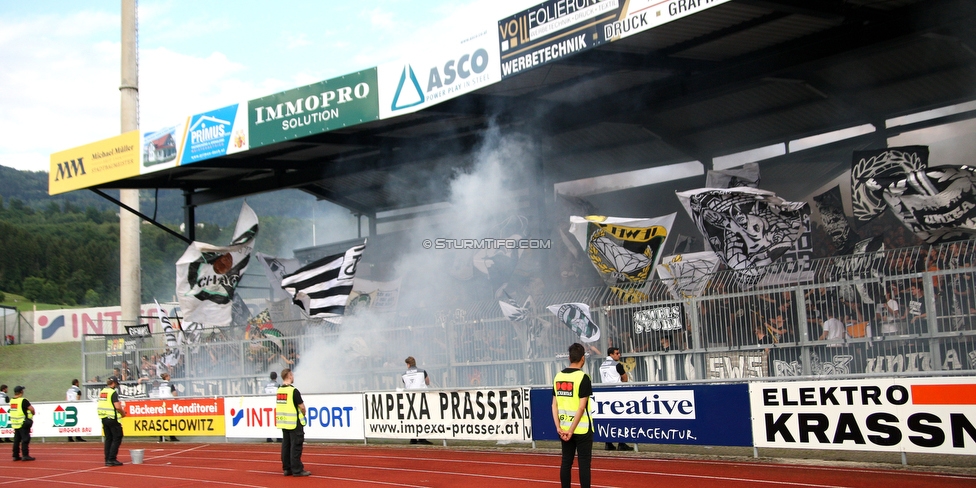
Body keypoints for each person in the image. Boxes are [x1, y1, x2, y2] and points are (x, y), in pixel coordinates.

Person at [552, 343, 592, 488]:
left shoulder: (558, 377)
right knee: (584, 463)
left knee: (566, 462)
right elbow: (582, 407)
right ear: (583, 358)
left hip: (563, 427)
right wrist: (572, 430)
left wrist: (558, 427)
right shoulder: (583, 377)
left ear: (569, 358)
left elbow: (553, 405)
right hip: (582, 428)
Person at [276, 368, 310, 477]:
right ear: (290, 376)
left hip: (284, 422)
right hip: (294, 423)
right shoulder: (293, 391)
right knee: (296, 446)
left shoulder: (280, 390)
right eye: (292, 375)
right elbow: (302, 407)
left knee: (286, 446)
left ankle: (287, 468)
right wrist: (303, 414)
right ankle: (297, 469)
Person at [598, 347, 631, 451]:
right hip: (618, 394)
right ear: (611, 354)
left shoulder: (602, 365)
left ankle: (608, 443)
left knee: (608, 419)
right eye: (617, 353)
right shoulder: (617, 365)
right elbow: (625, 378)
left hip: (606, 394)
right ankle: (621, 443)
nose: (619, 355)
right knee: (621, 418)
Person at [402, 356, 432, 445]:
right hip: (422, 396)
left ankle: (413, 438)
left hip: (410, 398)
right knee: (423, 417)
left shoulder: (404, 374)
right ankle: (422, 438)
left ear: (408, 365)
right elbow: (427, 382)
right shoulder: (422, 371)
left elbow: (405, 383)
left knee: (412, 417)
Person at [98, 376, 125, 466]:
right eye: (116, 384)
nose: (116, 386)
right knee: (117, 437)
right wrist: (123, 413)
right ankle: (112, 458)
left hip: (104, 418)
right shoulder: (113, 392)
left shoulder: (102, 392)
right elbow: (117, 406)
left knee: (108, 438)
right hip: (112, 418)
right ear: (114, 383)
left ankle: (107, 459)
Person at [10, 386, 35, 461]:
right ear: (21, 392)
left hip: (15, 423)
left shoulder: (12, 400)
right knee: (25, 439)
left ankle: (15, 455)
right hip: (22, 422)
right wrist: (33, 413)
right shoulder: (23, 400)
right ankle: (25, 455)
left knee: (16, 440)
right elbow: (31, 409)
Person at [265, 371, 281, 443]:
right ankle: (279, 437)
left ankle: (268, 437)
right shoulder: (277, 385)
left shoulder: (266, 385)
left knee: (269, 421)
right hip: (275, 404)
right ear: (276, 377)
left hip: (268, 404)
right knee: (277, 420)